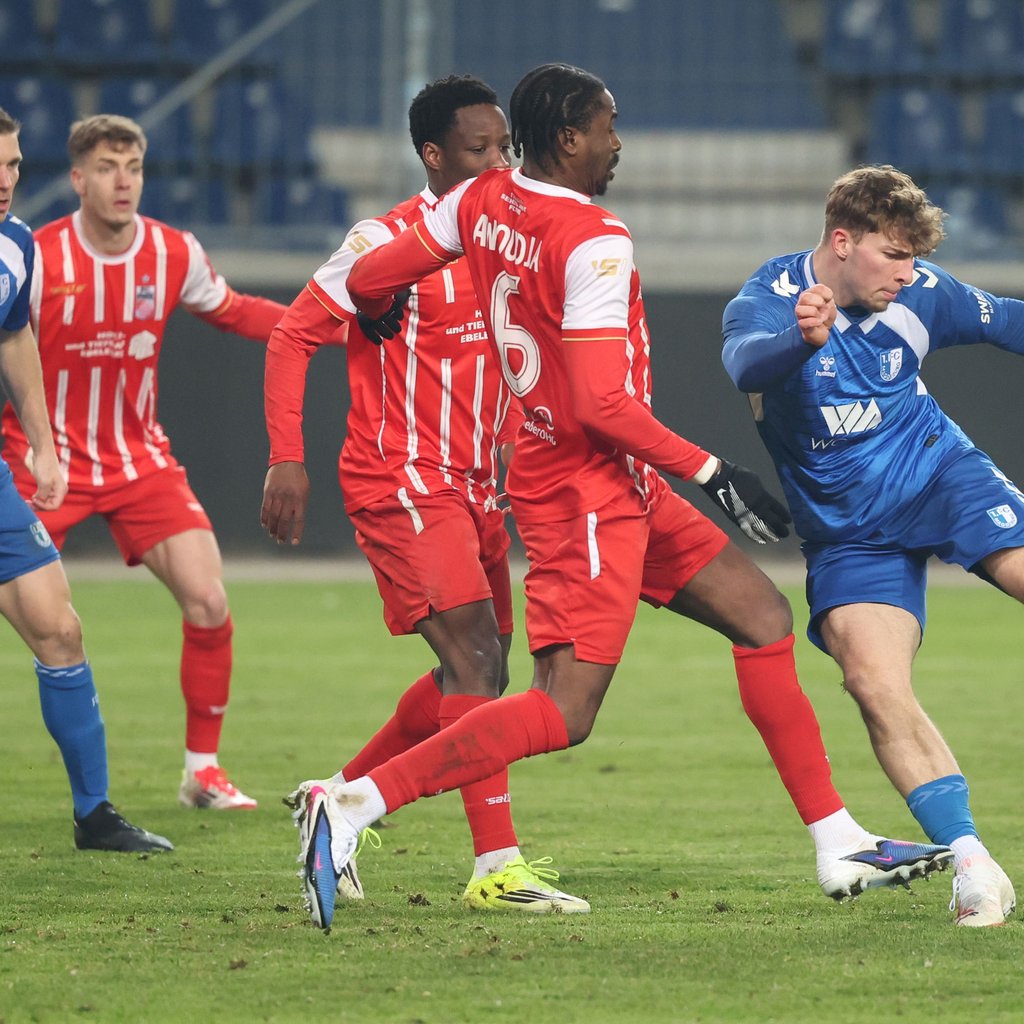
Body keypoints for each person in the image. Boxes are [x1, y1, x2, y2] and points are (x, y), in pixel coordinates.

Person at [291, 64, 950, 930]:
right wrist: (713, 472)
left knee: (759, 616)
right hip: (584, 490)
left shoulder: (482, 201)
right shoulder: (596, 238)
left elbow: (381, 270)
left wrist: (372, 298)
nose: (618, 142)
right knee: (562, 711)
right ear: (568, 137)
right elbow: (603, 404)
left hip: (601, 480)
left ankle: (837, 840)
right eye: (607, 126)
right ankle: (354, 804)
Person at [262, 75, 588, 925]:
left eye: (504, 148)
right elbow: (294, 332)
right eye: (478, 149)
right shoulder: (384, 241)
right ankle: (496, 864)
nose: (496, 162)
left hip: (479, 485)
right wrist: (285, 460)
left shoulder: (507, 241)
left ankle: (334, 798)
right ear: (433, 156)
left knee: (475, 668)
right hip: (403, 477)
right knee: (478, 660)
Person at [721, 164, 1021, 928]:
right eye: (894, 255)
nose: (909, 273)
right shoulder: (767, 298)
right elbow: (743, 364)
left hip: (940, 476)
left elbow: (1009, 322)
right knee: (872, 683)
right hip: (850, 533)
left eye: (915, 258)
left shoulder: (923, 295)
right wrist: (801, 336)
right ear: (842, 242)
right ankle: (974, 865)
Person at [0, 114, 289, 811]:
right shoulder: (35, 255)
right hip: (44, 460)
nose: (123, 179)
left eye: (133, 165)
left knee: (210, 600)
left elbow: (235, 310)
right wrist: (38, 445)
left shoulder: (171, 251)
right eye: (106, 166)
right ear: (77, 179)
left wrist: (324, 325)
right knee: (42, 620)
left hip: (138, 462)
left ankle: (202, 771)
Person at [0, 107, 172, 853]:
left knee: (59, 627)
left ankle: (95, 815)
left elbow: (13, 335)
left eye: (11, 166)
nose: (4, 182)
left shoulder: (13, 249)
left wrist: (44, 446)